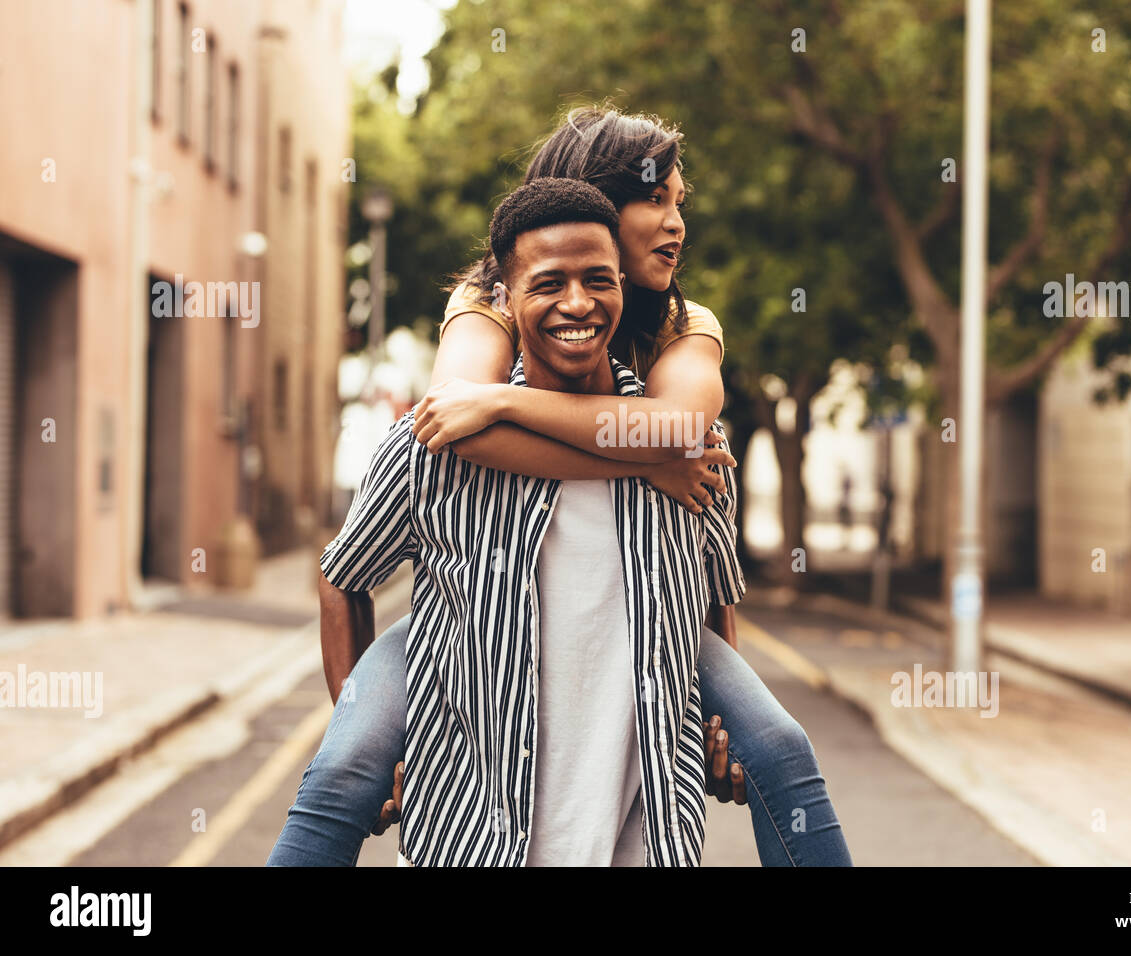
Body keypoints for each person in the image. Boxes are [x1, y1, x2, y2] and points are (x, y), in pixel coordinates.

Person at [270, 106, 850, 867]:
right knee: (345, 768)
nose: (676, 222)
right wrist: (629, 454)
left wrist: (713, 718)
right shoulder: (486, 304)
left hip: (649, 625)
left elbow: (686, 476)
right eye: (656, 200)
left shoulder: (683, 323)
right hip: (472, 614)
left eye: (681, 202)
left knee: (779, 746)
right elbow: (453, 426)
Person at [306, 177, 738, 865]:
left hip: (649, 840)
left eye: (599, 280)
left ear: (624, 287)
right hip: (467, 841)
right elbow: (341, 576)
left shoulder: (694, 457)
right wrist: (368, 729)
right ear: (505, 299)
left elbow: (714, 600)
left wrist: (725, 731)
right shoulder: (434, 450)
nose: (578, 303)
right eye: (549, 284)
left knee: (786, 757)